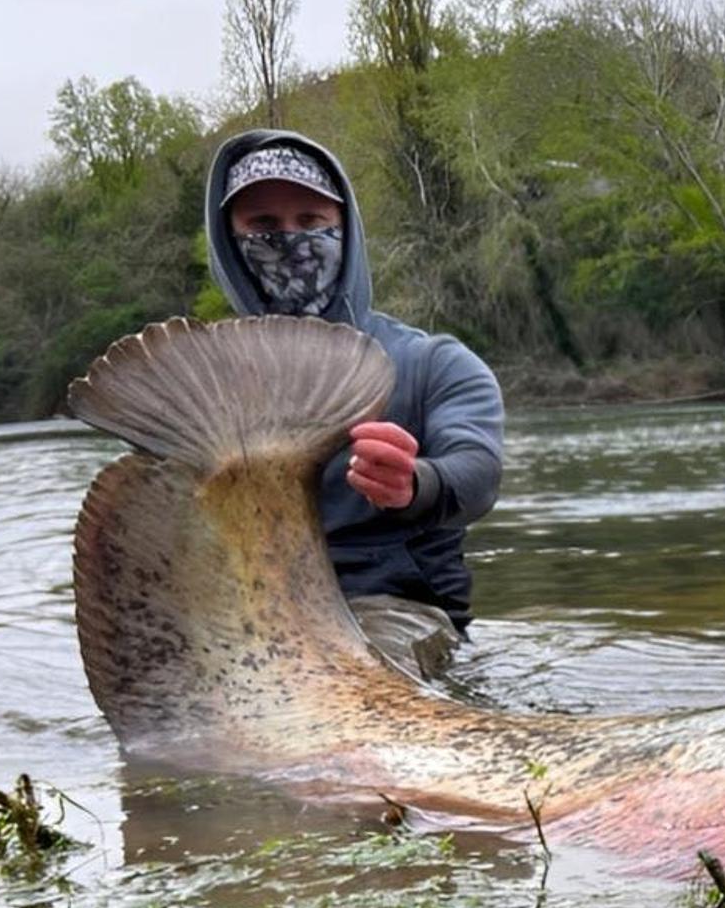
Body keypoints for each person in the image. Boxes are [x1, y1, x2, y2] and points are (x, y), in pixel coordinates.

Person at [204, 130, 505, 677]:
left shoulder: (433, 363)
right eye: (263, 225)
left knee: (356, 674)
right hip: (251, 614)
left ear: (345, 227)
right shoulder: (204, 385)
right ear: (230, 241)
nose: (289, 240)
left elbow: (478, 472)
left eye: (311, 221)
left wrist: (415, 483)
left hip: (399, 609)